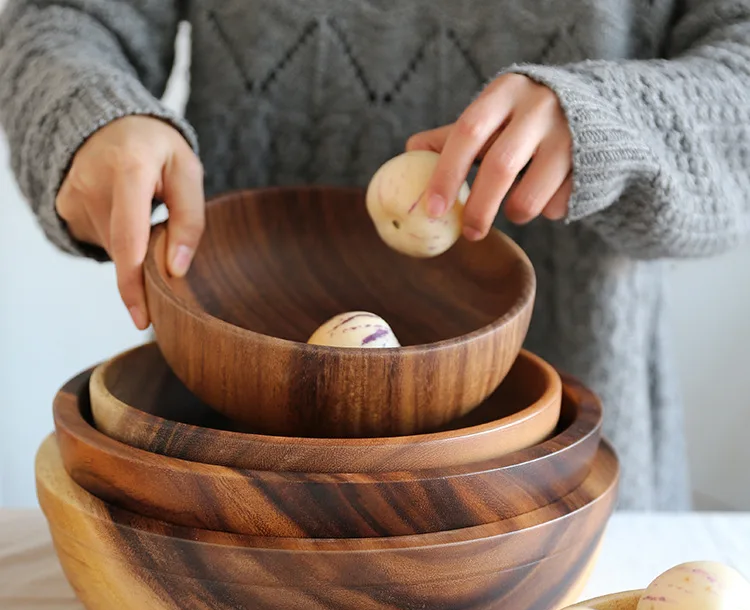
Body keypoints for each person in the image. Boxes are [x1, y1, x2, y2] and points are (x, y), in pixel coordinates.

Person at [1, 2, 749, 510]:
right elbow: (68, 17)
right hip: (242, 466)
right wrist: (89, 114)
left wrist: (619, 118)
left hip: (565, 486)